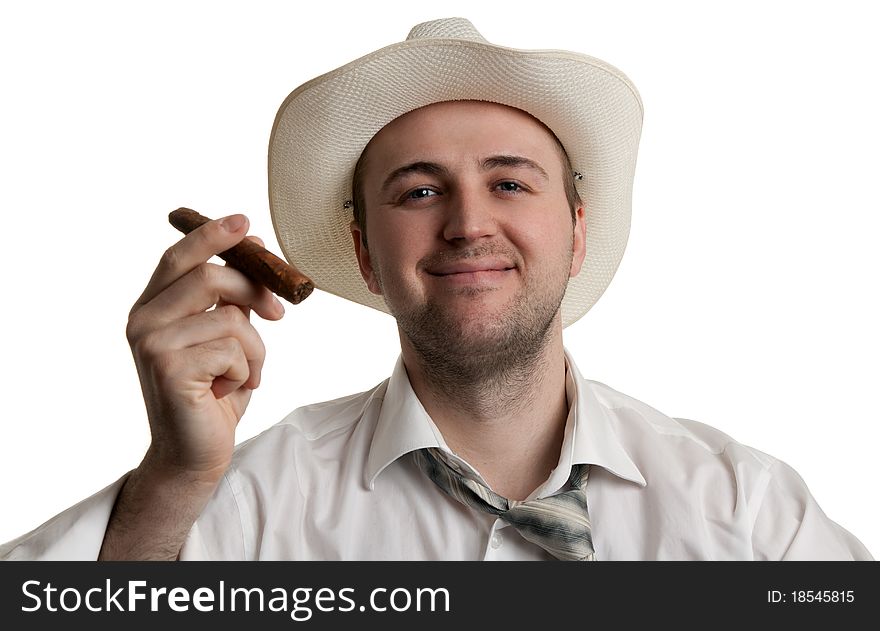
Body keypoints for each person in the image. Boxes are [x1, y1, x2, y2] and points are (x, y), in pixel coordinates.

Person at [0, 17, 871, 561]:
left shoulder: (750, 514)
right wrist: (174, 480)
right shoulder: (243, 509)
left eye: (510, 182)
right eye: (418, 191)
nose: (466, 223)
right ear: (365, 254)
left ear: (576, 230)